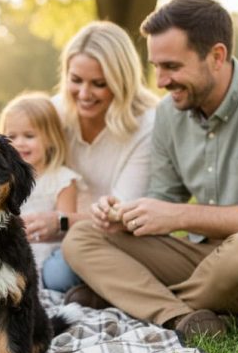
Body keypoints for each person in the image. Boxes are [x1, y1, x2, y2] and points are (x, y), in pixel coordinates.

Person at [62, 0, 238, 340]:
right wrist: (124, 215)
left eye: (172, 66)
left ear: (217, 56)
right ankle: (179, 317)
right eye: (156, 67)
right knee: (83, 236)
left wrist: (179, 216)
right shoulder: (169, 114)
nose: (160, 81)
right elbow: (162, 197)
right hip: (208, 257)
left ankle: (125, 299)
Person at [26, 21, 159, 292]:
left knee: (59, 275)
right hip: (60, 237)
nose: (84, 94)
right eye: (76, 80)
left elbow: (123, 214)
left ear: (121, 82)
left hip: (120, 237)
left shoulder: (147, 125)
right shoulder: (54, 113)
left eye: (99, 84)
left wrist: (61, 222)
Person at [0, 92, 82, 290]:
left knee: (61, 272)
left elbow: (67, 229)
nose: (19, 143)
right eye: (11, 137)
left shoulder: (62, 179)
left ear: (51, 139)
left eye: (29, 136)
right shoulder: (2, 179)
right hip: (9, 251)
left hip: (48, 252)